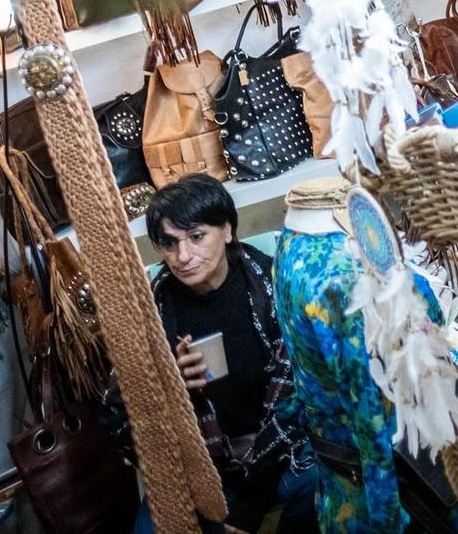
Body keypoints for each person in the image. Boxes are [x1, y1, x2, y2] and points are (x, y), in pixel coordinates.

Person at [117, 176, 316, 534]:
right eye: (170, 243)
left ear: (226, 230)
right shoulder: (152, 309)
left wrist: (246, 508)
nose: (183, 256)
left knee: (323, 481)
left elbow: (306, 392)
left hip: (281, 450)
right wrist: (167, 382)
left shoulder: (274, 285)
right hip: (204, 465)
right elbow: (116, 408)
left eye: (196, 237)